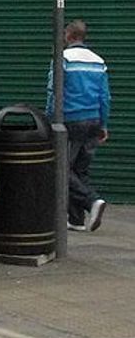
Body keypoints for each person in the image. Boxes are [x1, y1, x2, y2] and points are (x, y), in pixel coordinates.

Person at [47, 19, 110, 232]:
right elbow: (105, 97)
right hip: (93, 120)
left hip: (70, 121)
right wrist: (103, 124)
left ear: (69, 36)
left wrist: (50, 119)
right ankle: (76, 220)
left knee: (61, 168)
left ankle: (92, 201)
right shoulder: (98, 62)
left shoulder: (63, 59)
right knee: (79, 170)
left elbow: (54, 91)